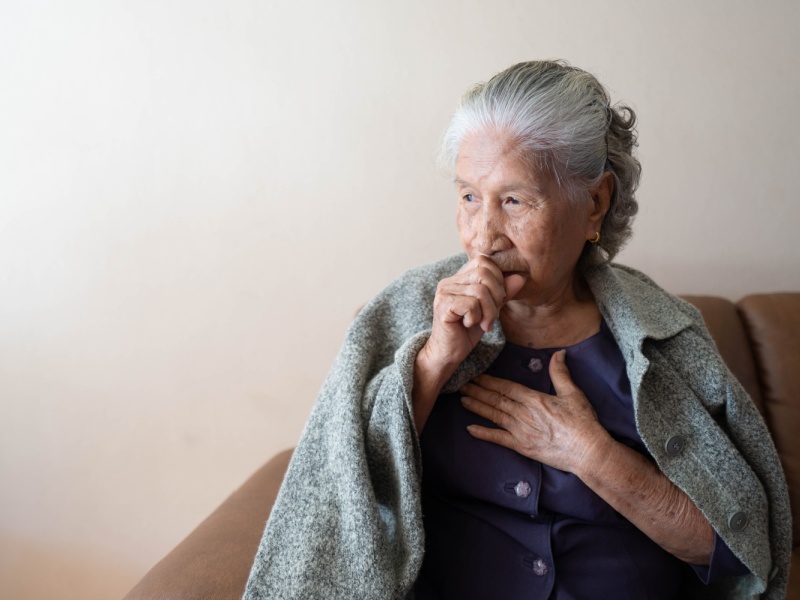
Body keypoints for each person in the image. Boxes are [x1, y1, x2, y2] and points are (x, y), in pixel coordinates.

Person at [242, 61, 790, 600]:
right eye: (468, 197)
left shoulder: (663, 337)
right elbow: (338, 497)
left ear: (594, 203)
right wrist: (433, 361)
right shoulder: (406, 311)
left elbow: (733, 552)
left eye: (513, 201)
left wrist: (592, 456)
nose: (483, 237)